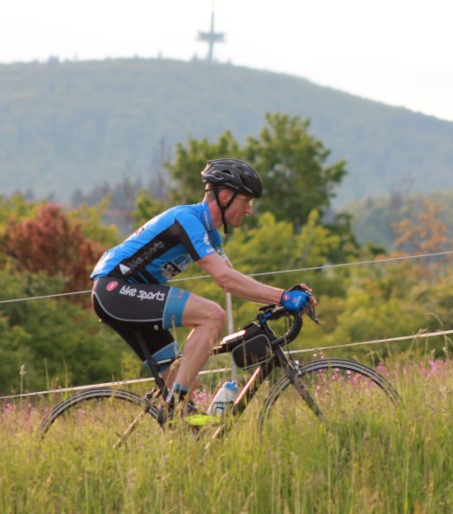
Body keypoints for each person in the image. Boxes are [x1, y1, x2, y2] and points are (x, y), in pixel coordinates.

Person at [89, 158, 315, 418]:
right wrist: (284, 297)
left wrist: (279, 298)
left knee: (186, 382)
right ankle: (175, 404)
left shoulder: (211, 235)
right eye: (247, 201)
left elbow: (232, 279)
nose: (250, 210)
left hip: (128, 295)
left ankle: (180, 434)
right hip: (115, 289)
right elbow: (225, 279)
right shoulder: (187, 219)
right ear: (226, 196)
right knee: (212, 315)